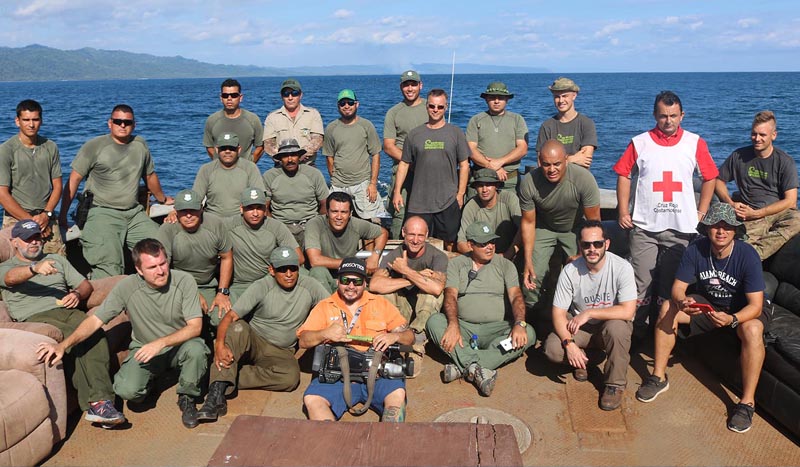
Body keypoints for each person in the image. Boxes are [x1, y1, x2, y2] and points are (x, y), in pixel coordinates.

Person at [36, 239, 209, 429]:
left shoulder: (184, 281)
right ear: (139, 270)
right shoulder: (127, 287)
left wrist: (160, 343)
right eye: (152, 267)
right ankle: (152, 382)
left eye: (163, 263)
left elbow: (195, 327)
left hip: (180, 347)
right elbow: (95, 321)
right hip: (144, 349)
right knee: (127, 391)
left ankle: (187, 397)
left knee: (197, 349)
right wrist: (63, 345)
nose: (160, 271)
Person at [636, 203, 769, 434]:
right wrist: (682, 302)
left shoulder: (747, 255)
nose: (721, 231)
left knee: (753, 330)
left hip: (742, 310)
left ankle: (747, 403)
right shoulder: (696, 250)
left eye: (727, 227)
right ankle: (658, 377)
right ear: (707, 229)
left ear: (735, 230)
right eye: (716, 226)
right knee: (668, 306)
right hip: (709, 306)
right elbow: (678, 288)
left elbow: (756, 306)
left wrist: (732, 319)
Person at [614, 91, 718, 334]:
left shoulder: (695, 142)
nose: (668, 121)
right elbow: (623, 174)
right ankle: (635, 333)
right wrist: (622, 211)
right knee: (640, 285)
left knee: (671, 288)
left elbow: (710, 177)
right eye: (663, 116)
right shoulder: (640, 142)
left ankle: (663, 337)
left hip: (681, 229)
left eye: (673, 116)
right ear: (654, 115)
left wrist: (702, 211)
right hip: (644, 228)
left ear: (682, 115)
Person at [3, 220, 124, 428]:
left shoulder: (56, 259)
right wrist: (34, 268)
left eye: (37, 238)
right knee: (73, 340)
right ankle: (99, 402)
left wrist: (76, 294)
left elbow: (85, 285)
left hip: (67, 310)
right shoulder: (7, 266)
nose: (33, 243)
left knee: (94, 333)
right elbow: (10, 278)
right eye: (27, 239)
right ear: (15, 242)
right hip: (36, 317)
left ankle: (100, 403)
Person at [197, 247, 329, 422]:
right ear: (272, 270)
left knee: (290, 378)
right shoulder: (262, 285)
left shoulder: (309, 285)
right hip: (254, 339)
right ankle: (214, 396)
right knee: (238, 328)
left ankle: (221, 374)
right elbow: (230, 317)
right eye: (282, 269)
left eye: (293, 268)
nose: (289, 274)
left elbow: (331, 307)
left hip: (281, 350)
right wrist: (219, 344)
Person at [60, 104, 173, 279]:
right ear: (110, 123)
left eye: (127, 122)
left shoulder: (140, 145)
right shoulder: (94, 146)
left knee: (161, 251)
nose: (122, 125)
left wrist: (163, 199)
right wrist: (62, 215)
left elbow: (149, 176)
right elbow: (74, 180)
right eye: (118, 121)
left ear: (133, 125)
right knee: (110, 266)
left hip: (134, 213)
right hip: (102, 212)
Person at [426, 221, 535, 397]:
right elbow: (451, 296)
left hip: (497, 329)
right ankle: (479, 368)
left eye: (492, 242)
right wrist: (453, 325)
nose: (490, 247)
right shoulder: (457, 264)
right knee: (434, 322)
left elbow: (516, 297)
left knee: (528, 333)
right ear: (470, 245)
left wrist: (519, 324)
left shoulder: (505, 265)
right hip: (464, 328)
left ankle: (465, 365)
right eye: (483, 243)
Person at [298, 258, 414, 422]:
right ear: (338, 281)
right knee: (312, 400)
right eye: (346, 280)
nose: (351, 286)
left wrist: (395, 336)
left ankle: (388, 441)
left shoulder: (380, 303)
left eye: (357, 281)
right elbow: (303, 340)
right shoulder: (325, 306)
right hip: (337, 377)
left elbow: (409, 336)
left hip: (378, 375)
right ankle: (329, 443)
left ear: (365, 283)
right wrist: (324, 333)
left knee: (397, 396)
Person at [542, 220, 636, 411]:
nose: (592, 249)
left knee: (618, 328)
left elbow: (628, 310)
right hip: (580, 328)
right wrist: (569, 345)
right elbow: (558, 313)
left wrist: (590, 312)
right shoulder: (570, 271)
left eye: (597, 244)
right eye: (586, 244)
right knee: (553, 349)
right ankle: (584, 358)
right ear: (580, 245)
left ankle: (614, 384)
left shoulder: (622, 267)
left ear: (606, 244)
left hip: (607, 326)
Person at [519, 140, 601, 309]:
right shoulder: (529, 182)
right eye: (546, 164)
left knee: (585, 268)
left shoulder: (583, 179)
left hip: (575, 228)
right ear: (540, 162)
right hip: (544, 227)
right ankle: (531, 311)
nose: (552, 169)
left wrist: (580, 254)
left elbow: (594, 224)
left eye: (557, 164)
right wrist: (527, 260)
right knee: (534, 273)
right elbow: (528, 222)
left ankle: (578, 309)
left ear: (566, 160)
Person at [715, 110, 800, 260]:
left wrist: (759, 213)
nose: (757, 138)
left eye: (762, 135)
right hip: (748, 213)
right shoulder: (738, 156)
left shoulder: (785, 161)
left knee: (797, 219)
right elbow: (718, 180)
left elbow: (791, 201)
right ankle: (744, 255)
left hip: (775, 212)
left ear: (774, 135)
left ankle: (754, 255)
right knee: (731, 240)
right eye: (754, 134)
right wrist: (731, 203)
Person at [393, 88, 470, 250]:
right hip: (419, 202)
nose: (436, 110)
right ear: (426, 106)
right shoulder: (414, 135)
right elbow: (404, 164)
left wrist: (461, 194)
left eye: (440, 107)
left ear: (446, 107)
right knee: (416, 243)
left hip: (448, 200)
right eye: (432, 106)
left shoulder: (456, 133)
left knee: (449, 243)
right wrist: (397, 191)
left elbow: (464, 165)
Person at [158, 189, 233, 327]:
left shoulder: (215, 225)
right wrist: (192, 294)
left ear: (201, 209)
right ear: (175, 211)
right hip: (176, 286)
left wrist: (222, 292)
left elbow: (226, 257)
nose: (188, 215)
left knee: (221, 319)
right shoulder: (167, 229)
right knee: (178, 318)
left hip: (207, 285)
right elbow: (162, 268)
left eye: (193, 210)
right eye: (183, 210)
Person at [0, 99, 65, 255]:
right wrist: (30, 221)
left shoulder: (50, 147)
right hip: (16, 217)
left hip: (46, 217)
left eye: (35, 119)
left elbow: (57, 186)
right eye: (26, 120)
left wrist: (46, 214)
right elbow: (2, 194)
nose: (31, 124)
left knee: (58, 265)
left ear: (41, 121)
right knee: (16, 269)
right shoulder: (6, 150)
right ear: (17, 121)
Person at [370, 216, 448, 341]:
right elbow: (375, 285)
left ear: (426, 235)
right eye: (411, 234)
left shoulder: (437, 256)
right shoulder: (394, 255)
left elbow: (437, 288)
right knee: (383, 294)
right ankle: (394, 335)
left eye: (420, 235)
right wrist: (415, 277)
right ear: (403, 233)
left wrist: (405, 270)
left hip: (424, 312)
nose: (415, 240)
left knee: (431, 294)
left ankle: (417, 340)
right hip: (402, 310)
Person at [227, 186, 301, 301]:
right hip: (240, 285)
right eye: (250, 208)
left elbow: (299, 258)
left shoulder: (276, 227)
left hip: (270, 280)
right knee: (219, 315)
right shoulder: (228, 226)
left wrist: (275, 273)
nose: (255, 213)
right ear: (241, 208)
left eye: (259, 208)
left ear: (265, 208)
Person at [304, 192, 388, 292]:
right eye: (334, 211)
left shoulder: (355, 224)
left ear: (350, 213)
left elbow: (383, 233)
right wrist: (353, 264)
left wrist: (375, 255)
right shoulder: (314, 224)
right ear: (327, 211)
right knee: (318, 271)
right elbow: (315, 261)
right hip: (322, 278)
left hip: (347, 277)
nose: (339, 217)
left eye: (344, 212)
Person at [323, 89, 383, 221]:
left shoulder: (367, 126)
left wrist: (372, 184)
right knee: (335, 221)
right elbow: (329, 156)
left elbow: (376, 155)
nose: (346, 106)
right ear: (338, 106)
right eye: (342, 103)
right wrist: (335, 178)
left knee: (373, 222)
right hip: (338, 185)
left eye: (350, 102)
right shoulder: (331, 128)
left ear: (357, 104)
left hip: (363, 184)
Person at [383, 70, 429, 239]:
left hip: (427, 172)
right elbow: (388, 146)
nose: (410, 88)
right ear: (401, 87)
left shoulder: (430, 108)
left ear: (420, 85)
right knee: (399, 212)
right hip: (402, 171)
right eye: (406, 85)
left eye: (413, 84)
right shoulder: (393, 112)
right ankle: (395, 247)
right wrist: (410, 162)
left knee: (427, 212)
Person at [262, 138, 328, 248]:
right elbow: (264, 207)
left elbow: (325, 203)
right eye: (285, 156)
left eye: (293, 155)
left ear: (299, 156)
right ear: (280, 159)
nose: (290, 159)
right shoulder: (269, 176)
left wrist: (317, 225)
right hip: (282, 226)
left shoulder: (314, 174)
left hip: (309, 225)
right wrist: (275, 227)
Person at [466, 82, 529, 193]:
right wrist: (490, 166)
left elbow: (522, 148)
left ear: (507, 99)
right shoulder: (475, 120)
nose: (496, 101)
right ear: (486, 99)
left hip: (509, 183)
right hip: (480, 182)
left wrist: (500, 162)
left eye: (500, 98)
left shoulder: (517, 119)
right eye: (492, 97)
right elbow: (471, 149)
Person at [193, 132, 265, 220]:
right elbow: (196, 199)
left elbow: (259, 197)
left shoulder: (250, 168)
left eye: (231, 148)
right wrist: (177, 211)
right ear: (216, 149)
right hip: (213, 220)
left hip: (241, 220)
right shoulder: (206, 169)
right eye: (223, 148)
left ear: (239, 149)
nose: (227, 151)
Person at [456, 168, 521, 257]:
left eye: (489, 185)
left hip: (510, 253)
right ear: (475, 188)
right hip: (482, 258)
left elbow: (524, 229)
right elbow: (461, 243)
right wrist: (482, 257)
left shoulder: (509, 199)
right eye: (480, 185)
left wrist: (508, 254)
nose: (484, 190)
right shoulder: (471, 205)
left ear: (496, 186)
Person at [536, 77, 597, 168]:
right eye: (557, 97)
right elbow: (541, 162)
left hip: (579, 179)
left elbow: (586, 159)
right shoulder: (547, 126)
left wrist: (555, 161)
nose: (561, 101)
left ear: (574, 95)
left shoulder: (586, 123)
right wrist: (572, 159)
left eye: (565, 96)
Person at [263, 78, 324, 166]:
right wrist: (285, 158)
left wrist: (300, 155)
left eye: (294, 93)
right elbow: (268, 145)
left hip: (307, 166)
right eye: (286, 94)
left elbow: (317, 140)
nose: (290, 97)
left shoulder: (313, 114)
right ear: (281, 96)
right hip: (282, 167)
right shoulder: (272, 117)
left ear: (301, 95)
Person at [203, 78, 264, 163]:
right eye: (225, 95)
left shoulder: (253, 120)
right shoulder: (212, 120)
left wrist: (250, 163)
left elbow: (260, 146)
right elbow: (209, 146)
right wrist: (218, 162)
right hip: (220, 172)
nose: (229, 98)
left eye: (234, 95)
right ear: (221, 98)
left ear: (240, 97)